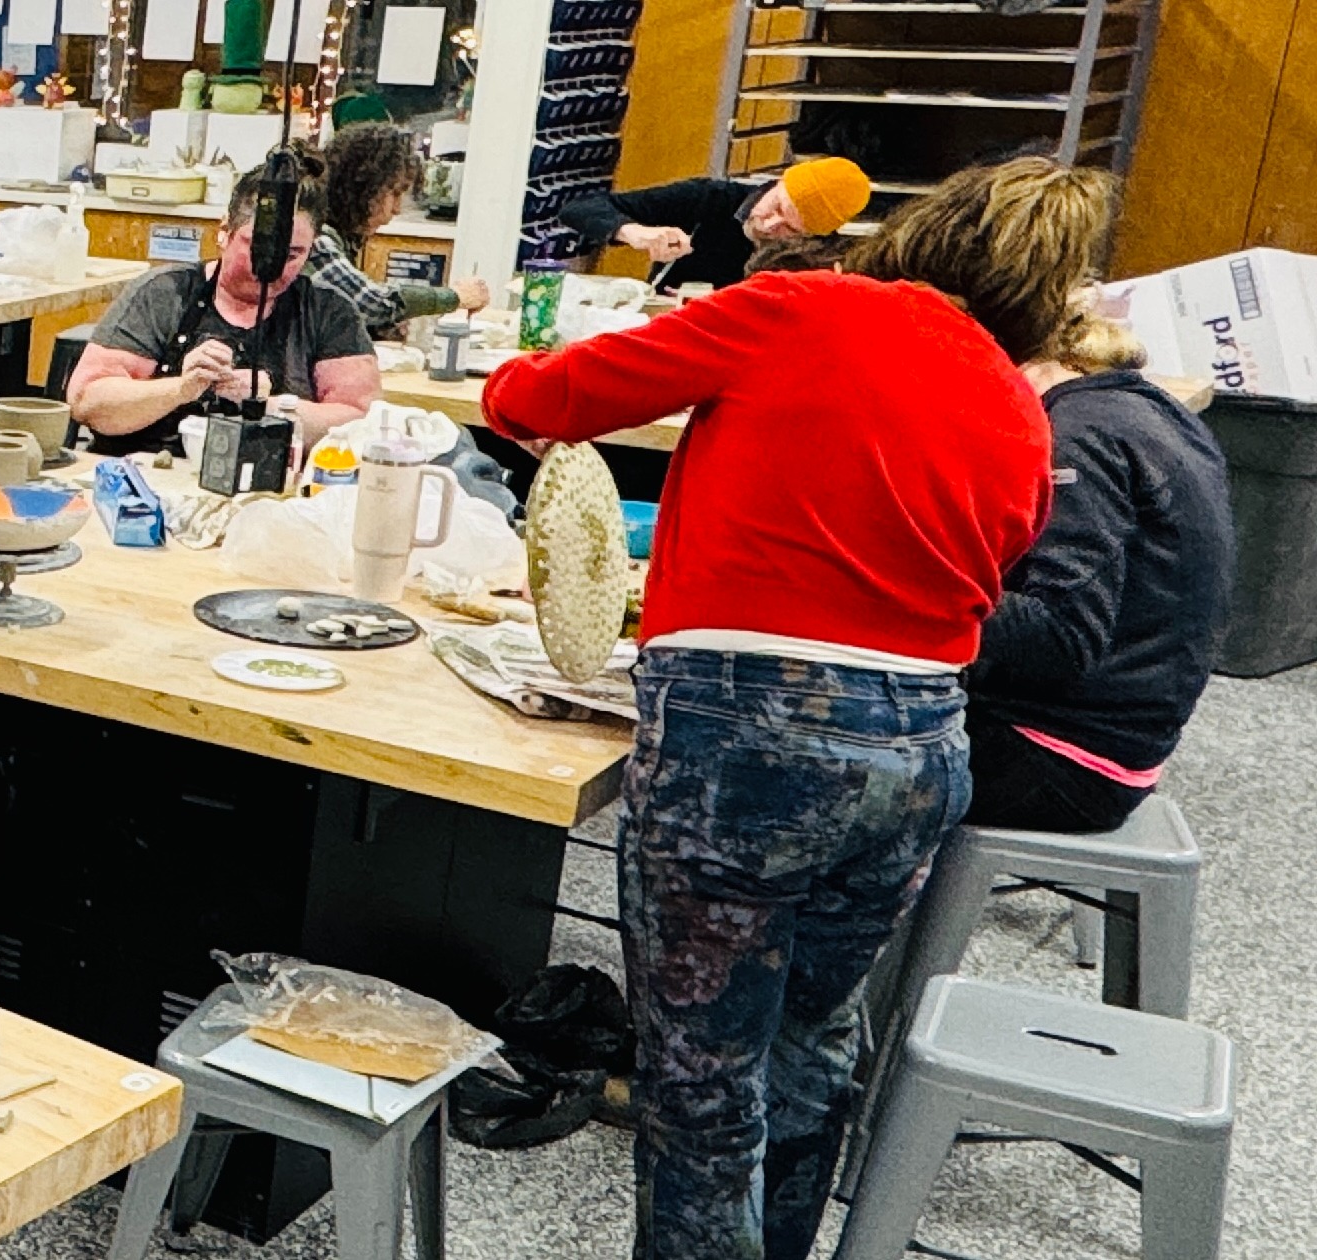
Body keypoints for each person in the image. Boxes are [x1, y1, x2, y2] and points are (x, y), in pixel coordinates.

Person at [481, 157, 1103, 1260]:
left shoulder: (795, 306)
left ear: (915, 233)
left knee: (700, 1083)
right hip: (919, 743)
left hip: (748, 731)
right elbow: (1000, 560)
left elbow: (538, 396)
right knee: (810, 1041)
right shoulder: (1017, 399)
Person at [964, 307, 1232, 833]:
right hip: (1123, 747)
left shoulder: (1076, 436)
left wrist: (915, 593)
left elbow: (1061, 634)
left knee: (821, 741)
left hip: (1059, 761)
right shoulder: (1156, 415)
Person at [62, 173, 381, 456]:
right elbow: (89, 402)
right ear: (224, 233)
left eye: (292, 255)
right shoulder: (163, 294)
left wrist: (269, 407)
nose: (269, 266)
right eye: (256, 246)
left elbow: (361, 424)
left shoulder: (328, 311)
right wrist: (180, 389)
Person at [558, 155, 874, 292]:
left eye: (789, 229)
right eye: (776, 206)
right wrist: (635, 233)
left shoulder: (823, 260)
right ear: (777, 182)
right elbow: (579, 208)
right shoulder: (712, 199)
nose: (769, 224)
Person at [306, 122, 488, 334]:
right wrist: (455, 297)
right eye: (394, 193)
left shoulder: (341, 239)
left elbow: (342, 315)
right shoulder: (316, 240)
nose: (397, 209)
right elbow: (374, 304)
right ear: (363, 187)